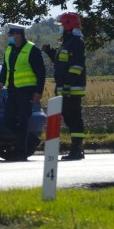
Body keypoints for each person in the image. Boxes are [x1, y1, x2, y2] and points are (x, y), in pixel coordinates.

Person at [0, 23, 46, 161]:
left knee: (23, 121)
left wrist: (38, 91)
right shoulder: (9, 49)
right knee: (8, 120)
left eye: (11, 35)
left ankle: (21, 152)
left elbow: (40, 72)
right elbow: (5, 67)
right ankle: (32, 139)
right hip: (12, 90)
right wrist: (0, 81)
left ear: (19, 35)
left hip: (26, 91)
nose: (9, 37)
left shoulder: (32, 49)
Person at [42, 12, 87, 161]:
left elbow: (76, 66)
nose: (59, 28)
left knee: (74, 119)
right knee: (69, 119)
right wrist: (51, 53)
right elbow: (63, 64)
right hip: (65, 88)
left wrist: (68, 83)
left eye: (61, 25)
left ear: (68, 25)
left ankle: (77, 150)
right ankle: (77, 149)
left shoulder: (76, 42)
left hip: (71, 89)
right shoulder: (67, 42)